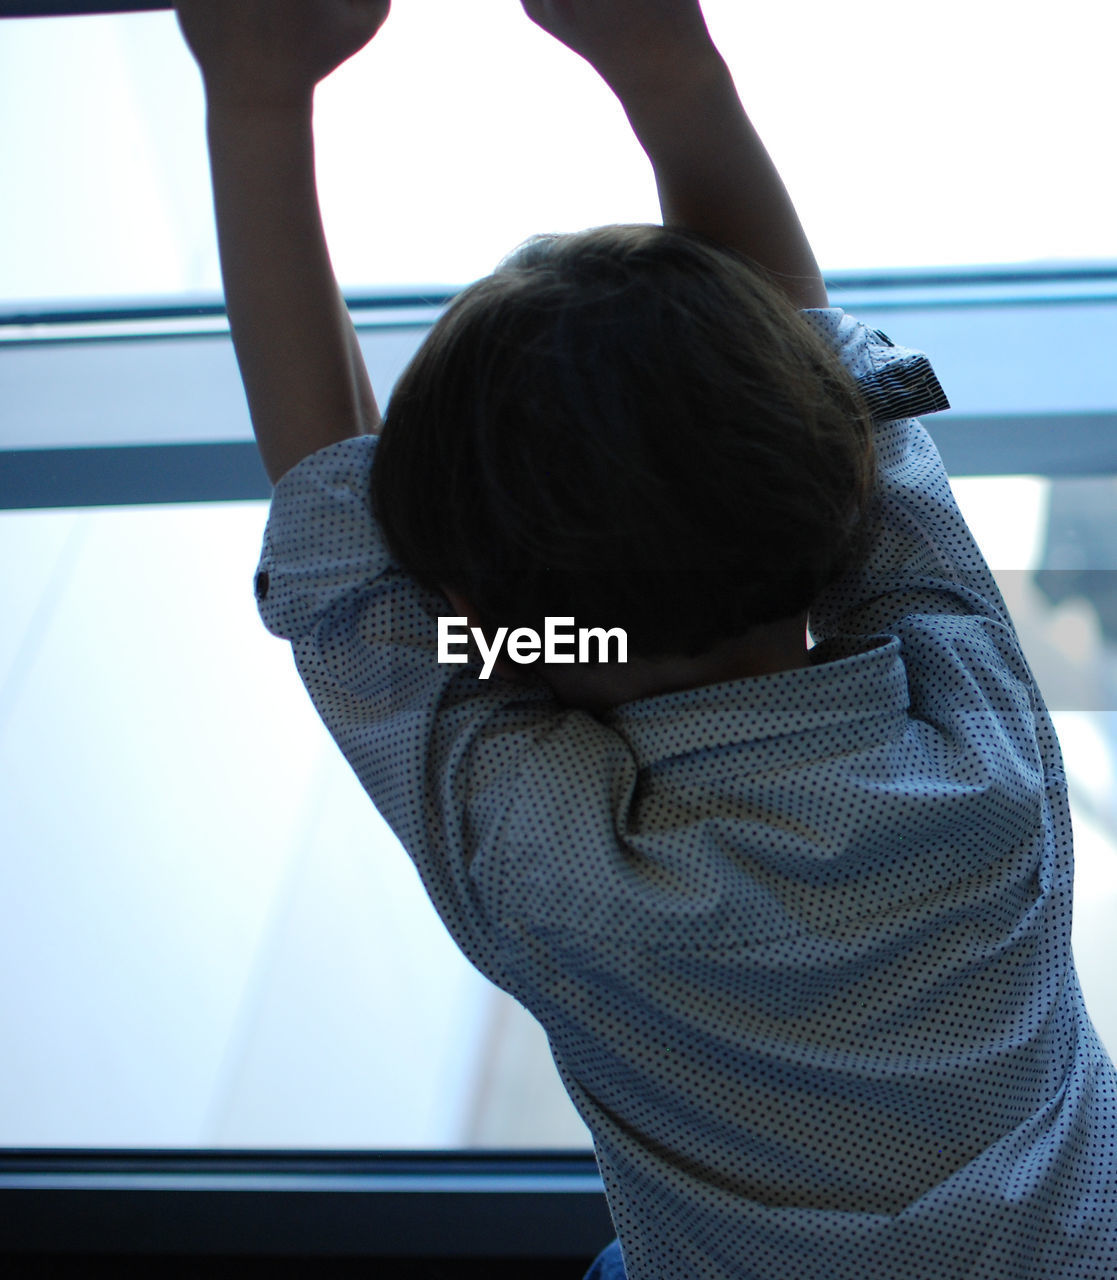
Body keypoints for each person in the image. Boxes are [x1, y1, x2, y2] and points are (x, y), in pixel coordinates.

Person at [174, 2, 1117, 1276]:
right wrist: (666, 63)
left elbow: (356, 576)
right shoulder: (980, 751)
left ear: (506, 631)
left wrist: (253, 95)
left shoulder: (558, 872)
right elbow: (835, 411)